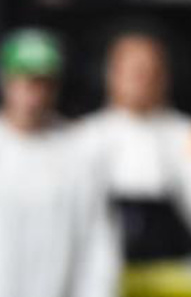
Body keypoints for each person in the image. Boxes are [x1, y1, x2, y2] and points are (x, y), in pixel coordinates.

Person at [76, 31, 191, 297]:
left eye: (151, 71)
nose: (142, 80)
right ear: (111, 74)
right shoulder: (83, 139)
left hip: (179, 277)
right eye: (134, 71)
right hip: (105, 278)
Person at [0, 29, 118, 297]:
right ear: (8, 82)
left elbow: (98, 242)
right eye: (26, 81)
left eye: (44, 83)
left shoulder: (79, 147)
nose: (34, 94)